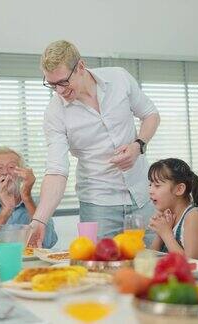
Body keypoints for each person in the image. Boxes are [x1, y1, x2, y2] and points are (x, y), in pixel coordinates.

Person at [29, 40, 161, 246]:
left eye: (63, 82)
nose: (59, 91)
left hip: (143, 194)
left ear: (80, 66)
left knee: (155, 263)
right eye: (52, 84)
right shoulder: (55, 113)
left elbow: (150, 114)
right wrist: (39, 220)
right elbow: (56, 171)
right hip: (99, 204)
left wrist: (138, 145)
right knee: (101, 272)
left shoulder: (119, 78)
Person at [0, 147, 58, 248]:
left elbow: (49, 242)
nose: (5, 172)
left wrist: (27, 198)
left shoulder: (39, 205)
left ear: (21, 175)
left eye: (11, 167)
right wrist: (6, 211)